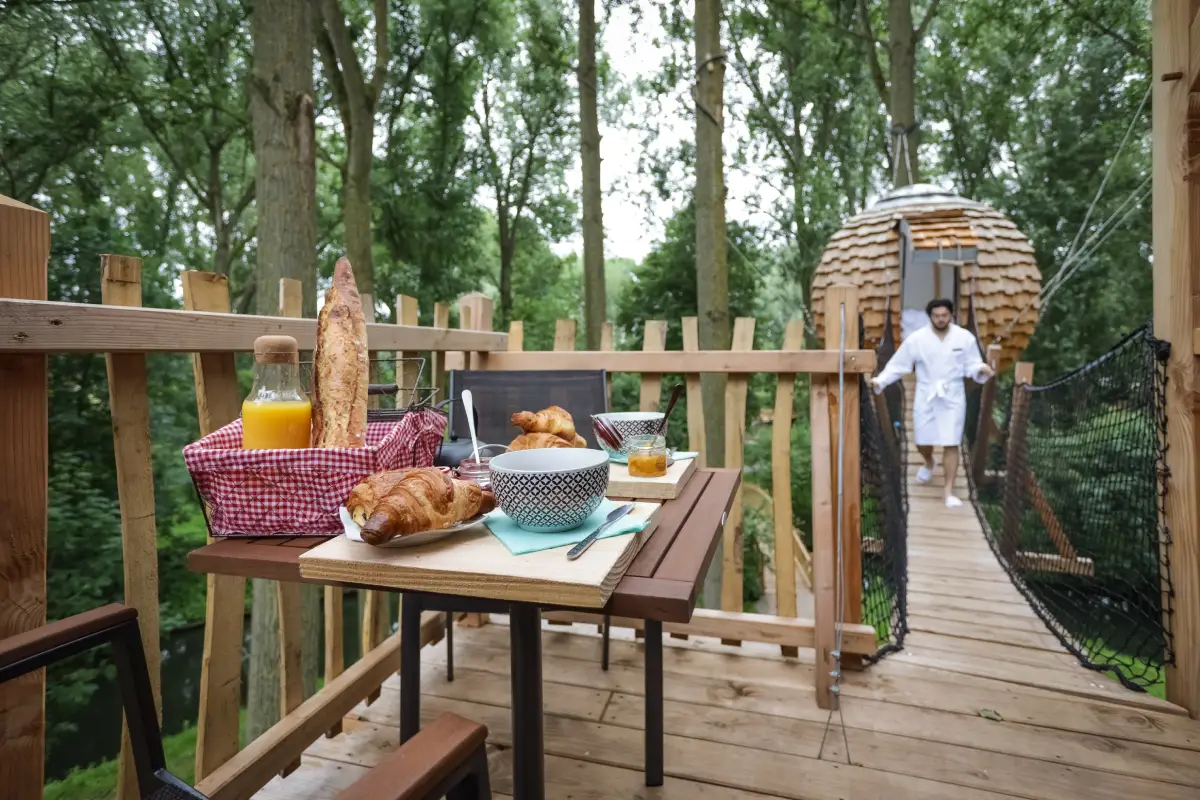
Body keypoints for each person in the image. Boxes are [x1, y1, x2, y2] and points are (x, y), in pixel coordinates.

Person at [870, 298, 994, 508]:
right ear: (930, 317)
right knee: (921, 440)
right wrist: (880, 380)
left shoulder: (964, 338)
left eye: (944, 315)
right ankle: (928, 461)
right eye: (936, 316)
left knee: (951, 441)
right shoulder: (917, 339)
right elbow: (899, 365)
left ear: (951, 315)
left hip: (952, 395)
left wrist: (980, 369)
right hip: (926, 392)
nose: (940, 319)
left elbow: (972, 363)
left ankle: (948, 492)